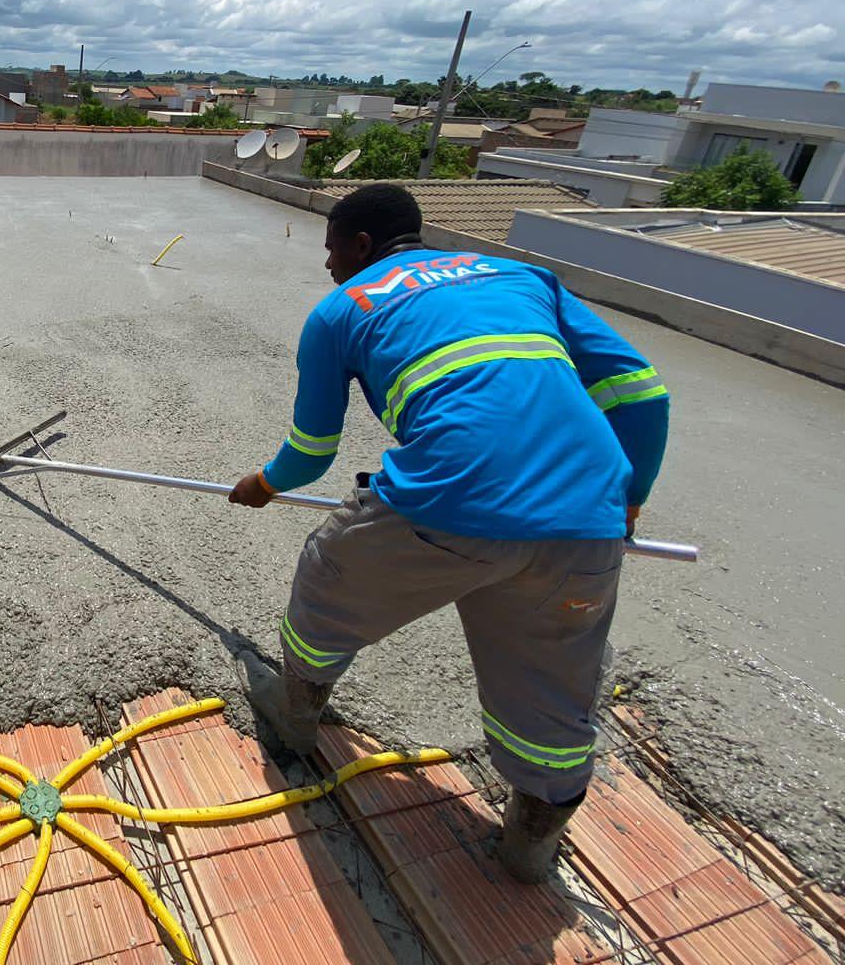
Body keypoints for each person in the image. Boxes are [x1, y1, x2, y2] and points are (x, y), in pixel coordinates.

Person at [228, 183, 669, 882]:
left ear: (363, 245)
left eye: (332, 248)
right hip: (586, 520)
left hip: (447, 502)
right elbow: (640, 391)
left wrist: (262, 485)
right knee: (553, 685)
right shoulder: (520, 276)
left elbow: (313, 451)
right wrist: (629, 499)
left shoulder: (341, 309)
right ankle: (530, 845)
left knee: (328, 574)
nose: (328, 265)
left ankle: (297, 715)